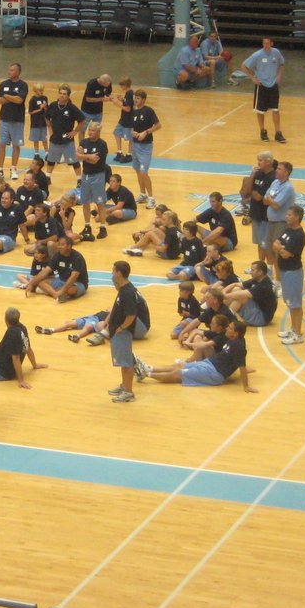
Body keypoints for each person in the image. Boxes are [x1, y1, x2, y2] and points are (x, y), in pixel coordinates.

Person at [134, 320, 256, 392]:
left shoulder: (239, 346)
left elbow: (242, 366)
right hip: (209, 364)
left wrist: (246, 386)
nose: (227, 329)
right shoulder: (232, 339)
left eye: (230, 328)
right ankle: (148, 367)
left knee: (179, 374)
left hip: (214, 373)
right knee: (180, 365)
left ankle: (146, 374)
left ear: (236, 333)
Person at [105, 261, 150, 403]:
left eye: (113, 271)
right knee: (123, 362)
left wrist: (122, 328)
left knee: (126, 363)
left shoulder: (127, 293)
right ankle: (124, 386)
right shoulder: (123, 289)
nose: (112, 274)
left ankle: (128, 392)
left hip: (123, 332)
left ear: (119, 273)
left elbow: (131, 315)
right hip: (118, 331)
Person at [0, 307, 46, 388]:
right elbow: (28, 348)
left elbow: (16, 358)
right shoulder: (23, 328)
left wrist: (21, 380)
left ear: (6, 320)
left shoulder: (12, 333)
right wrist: (34, 364)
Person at [241, 37, 286, 143]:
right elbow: (243, 66)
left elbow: (282, 64)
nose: (266, 45)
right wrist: (252, 78)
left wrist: (279, 76)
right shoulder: (257, 55)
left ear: (271, 43)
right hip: (261, 85)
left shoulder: (276, 53)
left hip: (273, 84)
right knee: (260, 110)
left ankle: (278, 133)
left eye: (267, 43)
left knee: (275, 109)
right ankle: (262, 131)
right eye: (264, 43)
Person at [275, 204, 305, 345]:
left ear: (297, 217)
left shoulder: (299, 235)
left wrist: (280, 248)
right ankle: (293, 329)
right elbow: (275, 243)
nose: (286, 217)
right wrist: (281, 247)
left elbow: (286, 254)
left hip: (293, 273)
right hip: (285, 272)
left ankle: (298, 334)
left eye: (289, 215)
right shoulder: (288, 230)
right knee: (290, 302)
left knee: (295, 304)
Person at [0, 63, 28, 181]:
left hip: (17, 119)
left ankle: (13, 169)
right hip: (4, 119)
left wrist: (6, 96)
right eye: (9, 70)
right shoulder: (3, 84)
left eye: (12, 70)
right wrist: (12, 97)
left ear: (18, 72)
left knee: (16, 145)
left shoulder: (23, 85)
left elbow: (19, 100)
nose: (9, 72)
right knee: (1, 144)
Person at [76, 121, 108, 241]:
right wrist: (89, 156)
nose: (90, 132)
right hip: (86, 175)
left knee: (100, 203)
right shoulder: (83, 142)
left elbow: (95, 161)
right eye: (89, 130)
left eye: (93, 130)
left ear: (98, 132)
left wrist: (83, 156)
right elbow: (77, 156)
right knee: (85, 202)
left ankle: (103, 227)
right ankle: (87, 226)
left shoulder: (102, 144)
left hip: (98, 176)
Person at [264, 160, 296, 280]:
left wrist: (270, 200)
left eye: (279, 169)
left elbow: (276, 205)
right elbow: (265, 200)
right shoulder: (275, 182)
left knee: (278, 252)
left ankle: (279, 281)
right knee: (270, 250)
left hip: (281, 223)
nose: (276, 170)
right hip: (271, 222)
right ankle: (273, 277)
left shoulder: (288, 188)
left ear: (286, 172)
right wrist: (271, 200)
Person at [128, 89, 160, 209]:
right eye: (135, 98)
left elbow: (158, 125)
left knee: (143, 172)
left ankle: (151, 198)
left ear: (143, 99)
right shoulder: (133, 112)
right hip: (135, 146)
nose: (136, 100)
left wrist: (146, 132)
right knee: (137, 170)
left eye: (138, 98)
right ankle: (143, 194)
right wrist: (133, 132)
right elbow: (131, 128)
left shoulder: (148, 111)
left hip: (146, 146)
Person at [45, 84, 84, 177]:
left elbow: (82, 120)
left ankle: (79, 179)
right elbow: (46, 117)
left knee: (74, 161)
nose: (62, 95)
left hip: (67, 139)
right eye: (60, 93)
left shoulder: (72, 108)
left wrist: (75, 131)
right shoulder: (53, 105)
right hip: (55, 138)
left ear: (68, 96)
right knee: (51, 160)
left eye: (64, 94)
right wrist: (50, 129)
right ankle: (48, 177)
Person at [111, 76, 134, 163]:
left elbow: (128, 109)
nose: (121, 87)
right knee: (116, 132)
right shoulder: (129, 93)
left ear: (126, 85)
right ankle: (119, 152)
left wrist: (117, 103)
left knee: (130, 137)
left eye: (122, 85)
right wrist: (123, 100)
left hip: (128, 119)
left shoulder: (129, 93)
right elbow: (128, 103)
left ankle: (129, 154)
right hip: (123, 118)